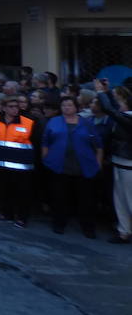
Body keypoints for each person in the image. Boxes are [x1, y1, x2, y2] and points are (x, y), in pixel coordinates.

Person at [42, 96, 103, 238]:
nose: (66, 108)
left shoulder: (87, 123)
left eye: (69, 105)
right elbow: (45, 142)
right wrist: (45, 159)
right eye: (64, 105)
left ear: (76, 107)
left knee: (86, 199)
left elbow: (98, 145)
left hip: (83, 167)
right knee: (60, 198)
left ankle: (88, 227)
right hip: (59, 166)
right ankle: (59, 224)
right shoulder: (54, 122)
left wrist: (98, 163)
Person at [0, 96, 35, 227]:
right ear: (3, 108)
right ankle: (6, 214)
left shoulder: (28, 122)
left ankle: (22, 217)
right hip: (0, 163)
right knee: (3, 190)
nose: (15, 109)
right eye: (11, 107)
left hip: (21, 165)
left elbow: (35, 142)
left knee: (22, 192)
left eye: (16, 107)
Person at [96, 86, 132, 244]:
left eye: (121, 101)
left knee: (129, 200)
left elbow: (109, 109)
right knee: (120, 200)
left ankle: (125, 230)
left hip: (128, 164)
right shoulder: (123, 116)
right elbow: (112, 108)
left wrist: (101, 92)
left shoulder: (127, 118)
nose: (119, 103)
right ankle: (123, 231)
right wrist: (106, 91)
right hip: (119, 162)